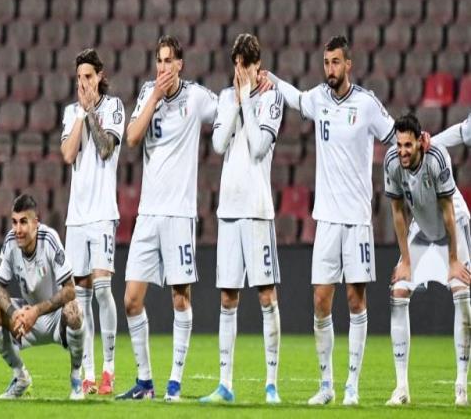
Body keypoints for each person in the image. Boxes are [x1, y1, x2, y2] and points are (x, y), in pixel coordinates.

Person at [266, 35, 396, 405]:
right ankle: (327, 385)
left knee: (356, 300)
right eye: (326, 62)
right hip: (325, 219)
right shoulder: (319, 98)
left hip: (357, 220)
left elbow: (393, 138)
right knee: (321, 299)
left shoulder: (366, 104)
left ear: (348, 64)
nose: (330, 69)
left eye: (335, 62)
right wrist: (270, 78)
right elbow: (295, 98)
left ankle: (352, 384)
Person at [116, 35, 218, 402]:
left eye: (167, 61)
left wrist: (253, 89)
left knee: (180, 297)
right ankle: (145, 383)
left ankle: (174, 382)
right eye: (158, 61)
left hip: (179, 215)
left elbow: (227, 111)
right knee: (131, 299)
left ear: (180, 65)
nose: (162, 67)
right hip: (148, 214)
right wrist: (155, 98)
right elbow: (131, 138)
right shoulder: (148, 92)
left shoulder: (197, 97)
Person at [199, 34, 284, 404]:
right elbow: (219, 144)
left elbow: (258, 146)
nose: (240, 70)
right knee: (227, 298)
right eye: (236, 63)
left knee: (266, 295)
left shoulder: (271, 99)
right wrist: (236, 99)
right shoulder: (225, 98)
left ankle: (271, 384)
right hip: (229, 209)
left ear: (257, 64)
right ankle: (225, 384)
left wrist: (248, 97)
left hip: (257, 209)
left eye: (246, 64)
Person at [384, 113, 471, 406]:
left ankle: (461, 385)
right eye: (399, 145)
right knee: (398, 292)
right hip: (422, 229)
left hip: (452, 227)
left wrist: (454, 261)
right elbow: (398, 213)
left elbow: (448, 211)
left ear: (420, 142)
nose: (402, 151)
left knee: (462, 295)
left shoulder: (437, 158)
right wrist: (406, 262)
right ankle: (401, 388)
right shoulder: (392, 162)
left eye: (408, 145)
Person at [60, 48, 124, 395]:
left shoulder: (114, 108)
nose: (83, 82)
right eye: (79, 77)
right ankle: (87, 373)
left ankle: (108, 369)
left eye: (88, 76)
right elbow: (68, 154)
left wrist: (91, 115)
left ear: (100, 76)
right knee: (80, 298)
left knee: (102, 289)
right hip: (77, 217)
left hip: (102, 214)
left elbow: (105, 149)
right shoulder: (71, 112)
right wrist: (82, 115)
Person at [0, 194, 85, 400]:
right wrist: (14, 313)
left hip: (55, 318)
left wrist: (36, 311)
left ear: (36, 223)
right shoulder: (10, 241)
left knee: (74, 310)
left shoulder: (49, 239)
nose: (17, 229)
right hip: (26, 319)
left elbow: (70, 290)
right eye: (14, 222)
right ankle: (20, 377)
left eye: (23, 222)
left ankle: (76, 378)